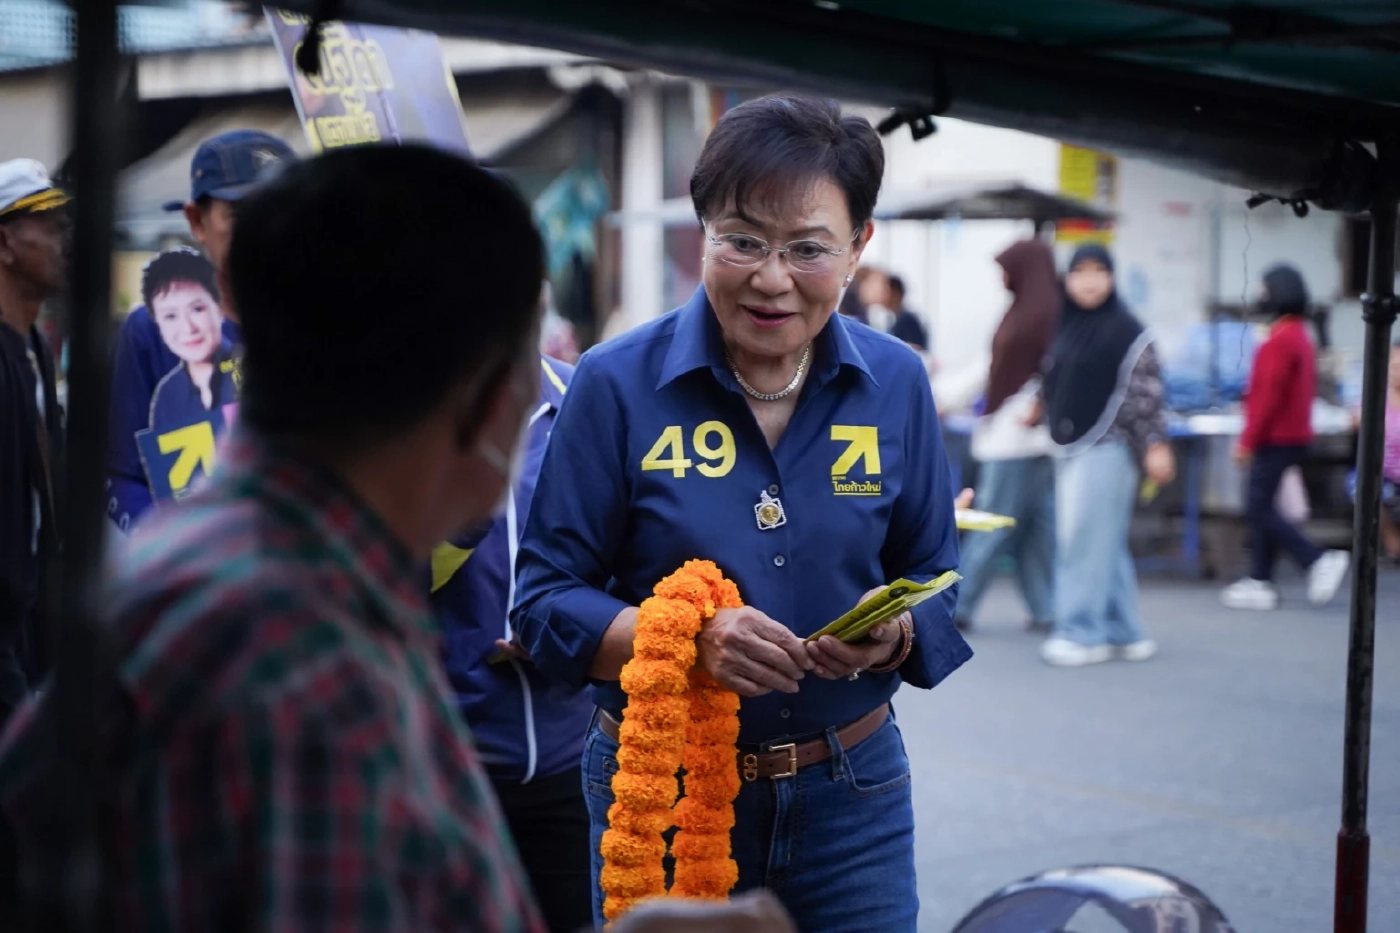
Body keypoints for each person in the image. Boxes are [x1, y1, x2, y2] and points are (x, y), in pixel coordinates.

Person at [511, 95, 970, 932]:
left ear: (860, 245)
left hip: (853, 791)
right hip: (662, 785)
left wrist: (896, 632)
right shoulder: (615, 384)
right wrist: (686, 639)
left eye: (807, 249)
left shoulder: (897, 382)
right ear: (703, 231)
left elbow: (937, 574)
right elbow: (543, 601)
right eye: (743, 240)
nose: (770, 276)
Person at [430, 353, 595, 933]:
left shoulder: (586, 396)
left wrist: (579, 627)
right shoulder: (402, 408)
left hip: (572, 761)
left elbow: (636, 543)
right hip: (448, 767)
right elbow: (381, 565)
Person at [106, 129, 294, 532]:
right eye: (241, 215)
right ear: (197, 221)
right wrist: (173, 554)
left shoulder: (331, 329)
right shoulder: (152, 331)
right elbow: (121, 477)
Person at [1037, 244, 1174, 667]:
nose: (1090, 280)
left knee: (1081, 541)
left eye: (1099, 271)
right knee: (1102, 542)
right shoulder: (1065, 324)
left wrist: (1155, 444)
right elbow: (1055, 378)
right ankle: (1124, 630)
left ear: (1113, 278)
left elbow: (1147, 395)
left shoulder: (1129, 331)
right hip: (1072, 445)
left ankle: (1082, 632)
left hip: (1109, 447)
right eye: (1080, 271)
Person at [1221, 265, 1349, 610]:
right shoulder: (1299, 334)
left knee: (1258, 507)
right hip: (1293, 434)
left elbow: (1267, 396)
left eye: (1265, 289)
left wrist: (1247, 440)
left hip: (1275, 436)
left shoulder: (1280, 339)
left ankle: (1315, 559)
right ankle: (1260, 579)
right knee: (1265, 505)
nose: (1262, 296)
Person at [953, 239, 1058, 634]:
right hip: (1014, 437)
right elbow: (992, 366)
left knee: (993, 522)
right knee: (1033, 527)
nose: (1001, 277)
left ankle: (957, 606)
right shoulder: (1027, 310)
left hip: (1017, 440)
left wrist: (1042, 403)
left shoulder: (1042, 314)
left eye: (1006, 268)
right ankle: (1045, 607)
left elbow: (1056, 367)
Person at [0, 159, 66, 729]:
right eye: (47, 224)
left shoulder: (38, 351)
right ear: (5, 242)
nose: (62, 238)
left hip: (35, 621)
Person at [142, 249, 238, 430]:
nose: (188, 328)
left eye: (197, 309)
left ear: (220, 309)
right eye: (170, 316)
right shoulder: (167, 394)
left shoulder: (249, 370)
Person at [885, 275, 930, 351]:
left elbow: (915, 349)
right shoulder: (893, 319)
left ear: (896, 293)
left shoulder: (908, 320)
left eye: (886, 291)